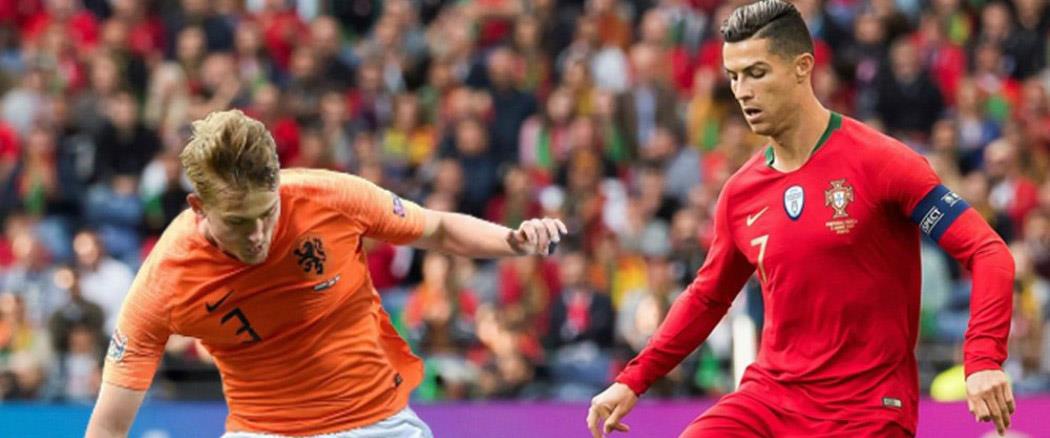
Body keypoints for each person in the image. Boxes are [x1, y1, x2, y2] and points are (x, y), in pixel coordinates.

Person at [587, 1, 1016, 437]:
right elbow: (707, 298)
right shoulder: (740, 193)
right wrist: (633, 379)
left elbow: (988, 252)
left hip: (866, 409)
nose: (742, 91)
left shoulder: (882, 163)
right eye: (733, 76)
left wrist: (983, 358)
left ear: (802, 67)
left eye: (756, 73)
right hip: (770, 400)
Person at [85, 109, 567, 437]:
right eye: (237, 222)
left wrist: (512, 240)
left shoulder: (329, 197)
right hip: (263, 431)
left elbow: (437, 228)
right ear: (198, 207)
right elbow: (107, 426)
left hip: (377, 424)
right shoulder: (165, 280)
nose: (257, 235)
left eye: (266, 214)